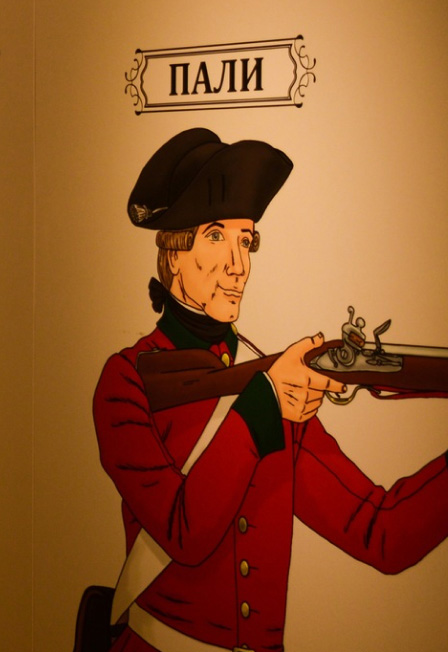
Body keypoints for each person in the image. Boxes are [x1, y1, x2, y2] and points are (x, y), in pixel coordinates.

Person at [93, 128, 448, 652]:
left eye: (247, 241)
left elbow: (382, 534)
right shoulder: (127, 382)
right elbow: (184, 534)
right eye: (217, 237)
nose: (239, 265)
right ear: (173, 253)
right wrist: (263, 402)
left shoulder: (273, 379)